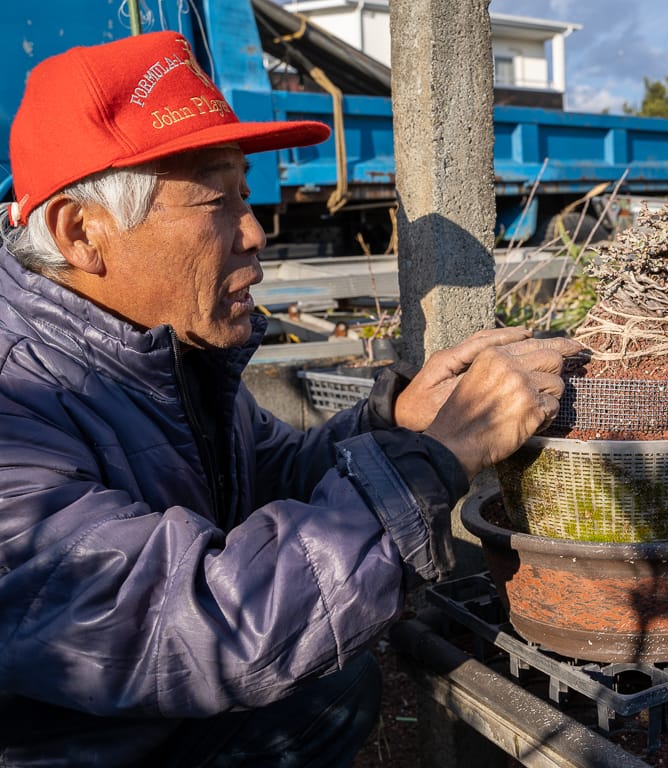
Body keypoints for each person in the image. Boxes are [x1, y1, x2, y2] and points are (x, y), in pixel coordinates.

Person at [0, 30, 581, 767]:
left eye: (246, 194)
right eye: (217, 199)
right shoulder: (14, 405)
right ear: (81, 232)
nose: (255, 233)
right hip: (68, 744)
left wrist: (396, 421)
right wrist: (441, 455)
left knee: (336, 687)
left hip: (143, 721)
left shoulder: (153, 349)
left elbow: (268, 476)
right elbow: (194, 627)